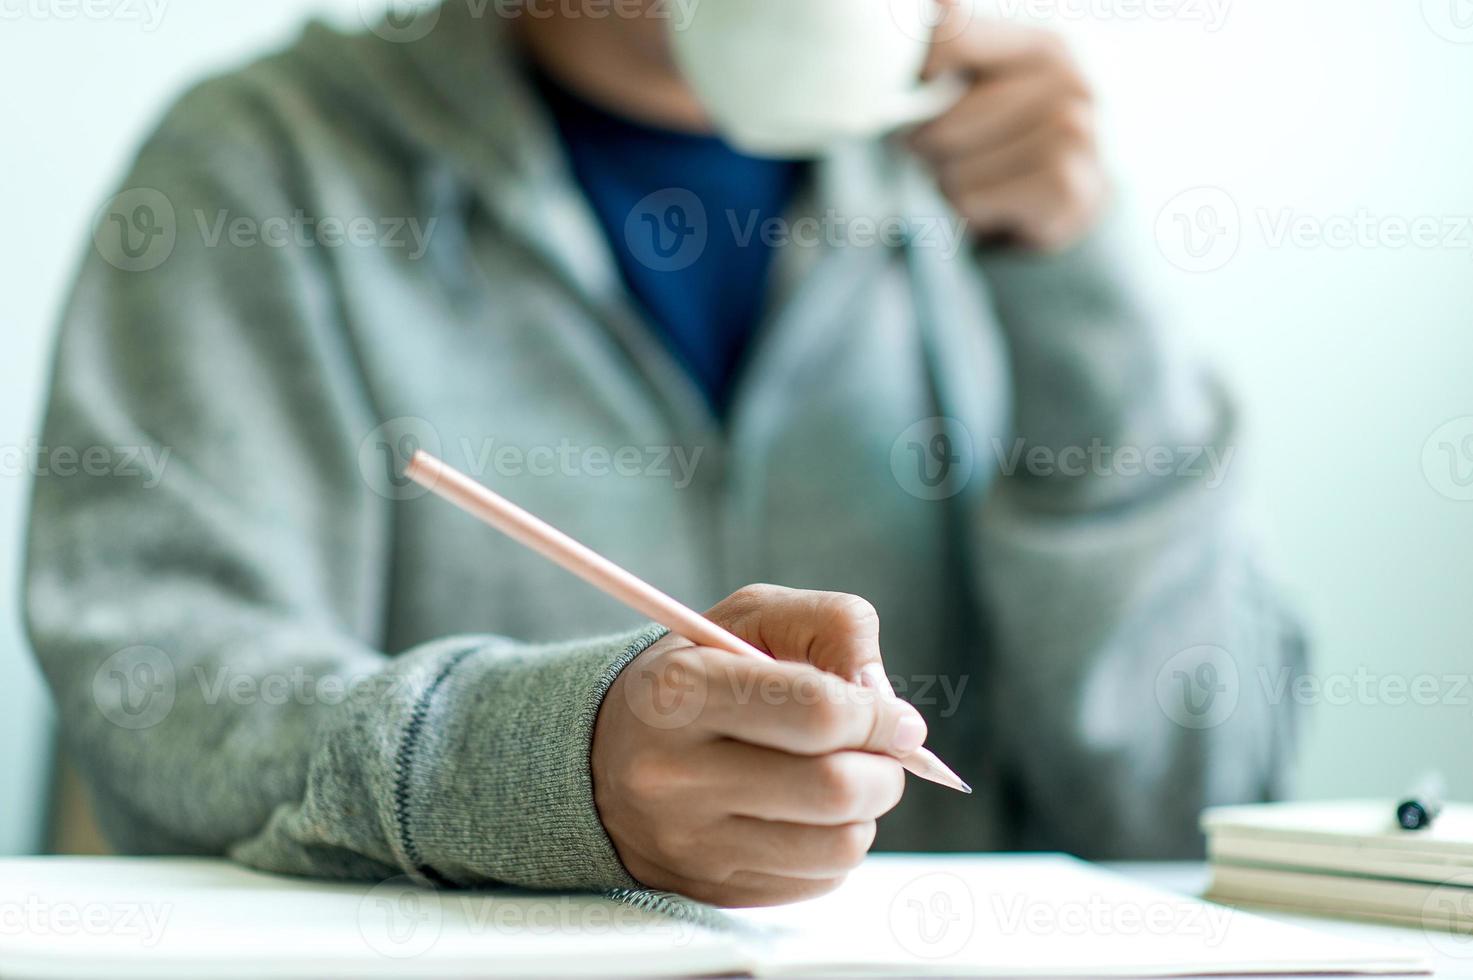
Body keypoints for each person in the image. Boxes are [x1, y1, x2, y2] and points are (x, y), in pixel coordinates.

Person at [26, 0, 1303, 907]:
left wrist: (1079, 290)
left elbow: (1197, 795)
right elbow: (164, 700)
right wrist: (555, 766)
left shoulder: (992, 190)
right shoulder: (267, 165)